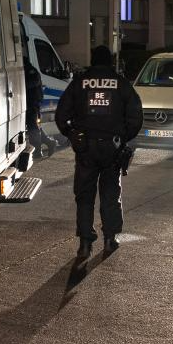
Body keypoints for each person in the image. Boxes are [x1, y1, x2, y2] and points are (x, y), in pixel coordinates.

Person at [55, 45, 143, 258]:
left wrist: (72, 134)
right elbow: (136, 117)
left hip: (85, 148)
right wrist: (122, 138)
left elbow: (61, 116)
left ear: (93, 60)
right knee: (110, 194)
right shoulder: (121, 84)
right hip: (112, 149)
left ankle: (85, 243)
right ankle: (110, 239)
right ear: (110, 62)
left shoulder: (79, 83)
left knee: (84, 196)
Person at [23, 54, 56, 158]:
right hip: (27, 103)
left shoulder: (31, 71)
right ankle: (49, 142)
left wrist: (20, 83)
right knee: (32, 126)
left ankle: (37, 150)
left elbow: (32, 82)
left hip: (32, 103)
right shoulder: (26, 71)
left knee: (33, 127)